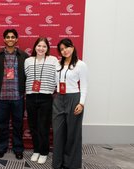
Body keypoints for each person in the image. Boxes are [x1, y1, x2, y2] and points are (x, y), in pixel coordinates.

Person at [0, 29, 29, 160]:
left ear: (16, 39)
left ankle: (18, 148)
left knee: (18, 125)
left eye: (13, 37)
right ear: (4, 39)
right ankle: (2, 147)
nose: (10, 39)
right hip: (2, 98)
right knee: (2, 124)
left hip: (18, 97)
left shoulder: (24, 56)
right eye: (7, 37)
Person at [52, 38, 88, 169]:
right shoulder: (57, 64)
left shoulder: (80, 65)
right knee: (58, 132)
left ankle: (70, 165)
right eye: (61, 49)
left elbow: (84, 86)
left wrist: (81, 103)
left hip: (74, 99)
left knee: (73, 133)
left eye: (67, 47)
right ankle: (57, 163)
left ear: (72, 47)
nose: (65, 50)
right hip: (59, 99)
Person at [24, 37, 58, 164]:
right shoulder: (28, 61)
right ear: (35, 47)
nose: (41, 48)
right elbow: (26, 76)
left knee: (43, 126)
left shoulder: (53, 60)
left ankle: (44, 152)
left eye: (44, 46)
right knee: (33, 126)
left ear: (47, 48)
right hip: (31, 96)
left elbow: (57, 77)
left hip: (45, 97)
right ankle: (36, 150)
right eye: (39, 46)